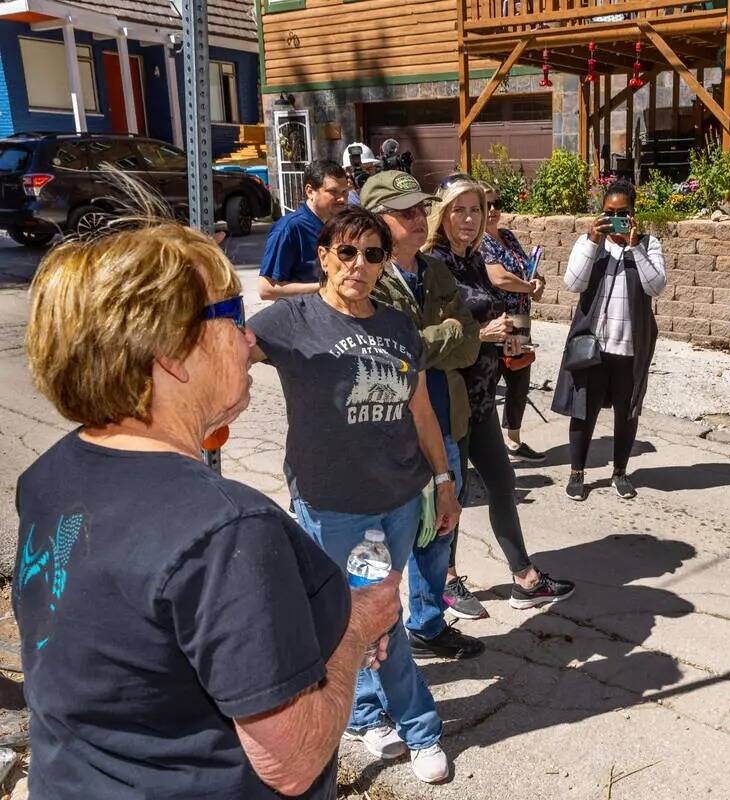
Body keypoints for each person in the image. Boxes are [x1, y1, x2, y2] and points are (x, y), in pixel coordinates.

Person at [17, 216, 402, 798]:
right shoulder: (226, 529)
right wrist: (354, 631)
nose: (250, 340)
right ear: (173, 351)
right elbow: (292, 762)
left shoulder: (50, 473)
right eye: (235, 318)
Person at [247, 207, 458, 784]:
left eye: (373, 254)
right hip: (333, 504)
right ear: (323, 256)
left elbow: (419, 408)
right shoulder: (289, 321)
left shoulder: (396, 325)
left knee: (364, 617)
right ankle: (418, 727)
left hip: (399, 496)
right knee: (368, 616)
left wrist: (442, 482)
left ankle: (365, 711)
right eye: (347, 252)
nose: (359, 265)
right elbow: (226, 353)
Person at [426, 176, 575, 610]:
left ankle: (524, 578)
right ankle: (445, 579)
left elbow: (489, 308)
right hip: (450, 401)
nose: (471, 218)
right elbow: (434, 333)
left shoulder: (473, 259)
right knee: (449, 494)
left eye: (477, 209)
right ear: (444, 213)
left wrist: (505, 335)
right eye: (461, 210)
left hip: (482, 396)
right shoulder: (433, 263)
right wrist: (481, 332)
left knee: (502, 482)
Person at [362, 170, 489, 654]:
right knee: (384, 542)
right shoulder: (364, 275)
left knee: (440, 531)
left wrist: (419, 345)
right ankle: (376, 638)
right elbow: (385, 355)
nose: (420, 218)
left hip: (445, 424)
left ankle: (428, 625)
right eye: (406, 212)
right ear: (378, 220)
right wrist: (437, 338)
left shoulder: (434, 271)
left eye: (421, 209)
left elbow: (470, 344)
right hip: (389, 435)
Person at [554, 177, 667, 501]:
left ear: (634, 214)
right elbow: (573, 283)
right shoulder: (589, 242)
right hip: (594, 346)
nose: (616, 218)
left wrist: (634, 248)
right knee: (583, 410)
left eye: (623, 212)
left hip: (630, 347)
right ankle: (577, 472)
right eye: (609, 211)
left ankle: (619, 471)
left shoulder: (648, 244)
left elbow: (655, 287)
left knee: (626, 413)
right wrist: (592, 241)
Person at [479, 182, 548, 462]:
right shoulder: (479, 241)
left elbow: (526, 269)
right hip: (496, 322)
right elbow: (499, 278)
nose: (493, 210)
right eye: (487, 205)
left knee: (519, 379)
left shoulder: (507, 236)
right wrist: (529, 287)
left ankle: (513, 441)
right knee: (488, 383)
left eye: (497, 203)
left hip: (519, 320)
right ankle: (484, 447)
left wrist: (538, 281)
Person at [259, 159, 348, 301]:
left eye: (345, 192)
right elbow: (266, 289)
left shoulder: (341, 224)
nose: (342, 199)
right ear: (310, 191)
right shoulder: (288, 229)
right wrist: (323, 287)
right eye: (333, 192)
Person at [343, 141, 380, 207]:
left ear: (375, 168)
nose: (365, 175)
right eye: (358, 171)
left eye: (369, 169)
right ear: (347, 173)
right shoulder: (343, 202)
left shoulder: (383, 193)